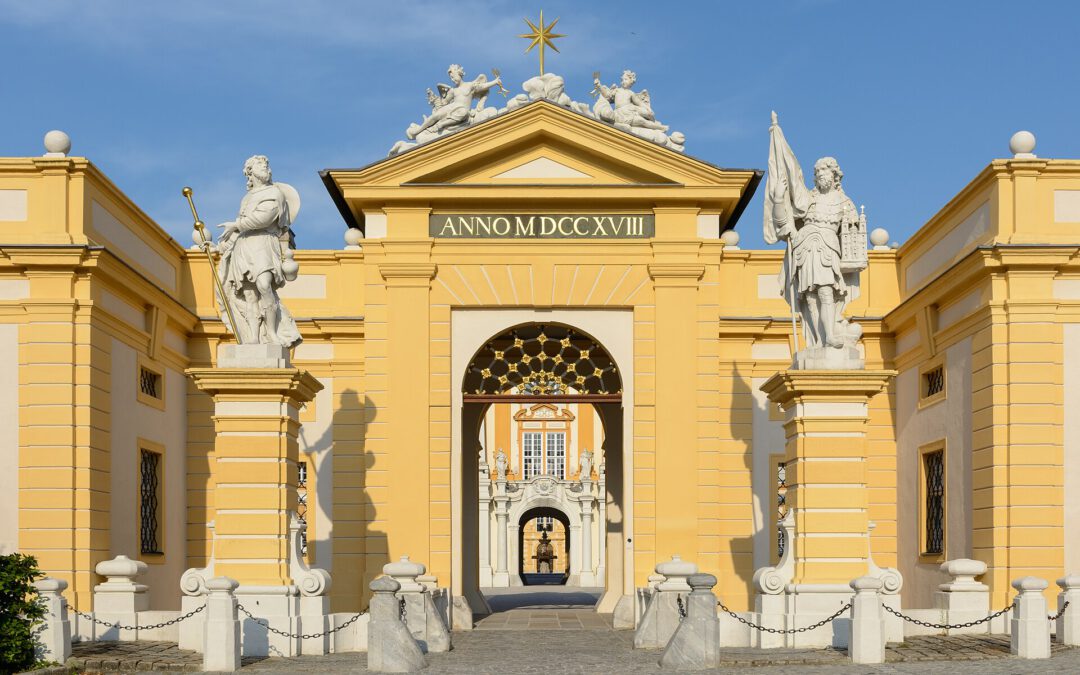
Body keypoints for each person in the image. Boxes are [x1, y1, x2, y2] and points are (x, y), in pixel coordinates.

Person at [768, 155, 859, 349]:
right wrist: (778, 199)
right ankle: (817, 340)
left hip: (828, 249)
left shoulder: (846, 203)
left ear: (834, 174)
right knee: (810, 297)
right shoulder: (807, 199)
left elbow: (853, 235)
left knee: (826, 292)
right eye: (817, 172)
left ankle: (830, 336)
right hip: (805, 249)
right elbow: (783, 223)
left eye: (823, 170)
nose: (819, 175)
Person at [216, 155, 301, 347]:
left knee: (264, 285)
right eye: (261, 166)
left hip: (264, 243)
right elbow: (243, 226)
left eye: (266, 166)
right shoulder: (247, 198)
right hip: (245, 246)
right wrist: (226, 243)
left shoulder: (274, 193)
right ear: (250, 172)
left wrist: (236, 225)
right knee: (249, 294)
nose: (266, 168)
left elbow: (265, 218)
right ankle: (253, 337)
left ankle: (271, 333)